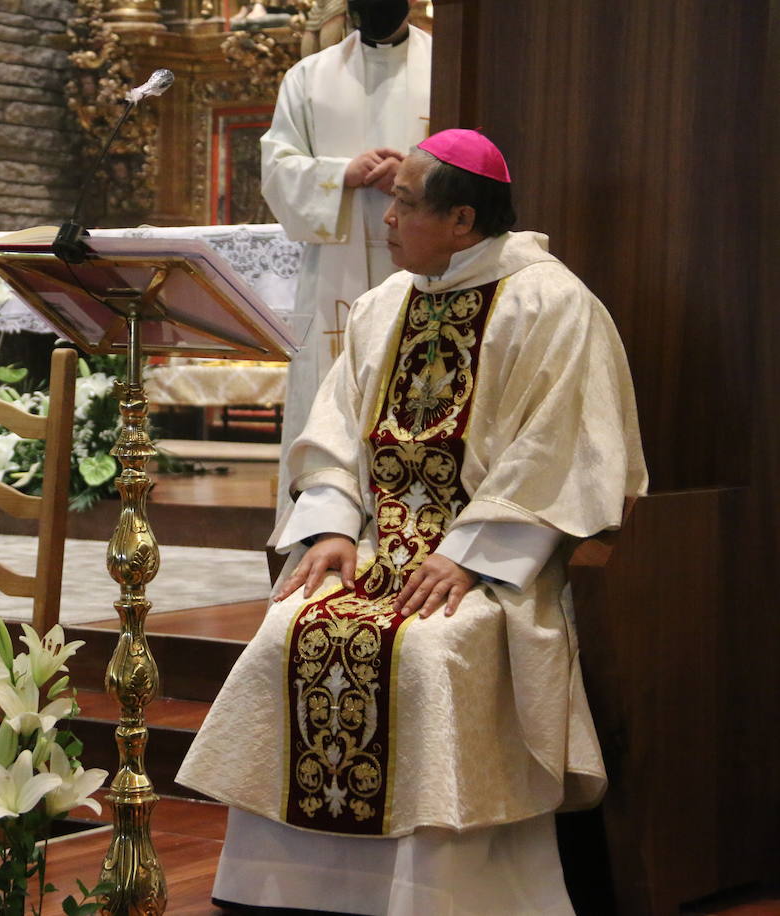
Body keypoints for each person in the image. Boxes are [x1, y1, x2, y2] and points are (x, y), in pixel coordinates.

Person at [178, 129, 647, 914]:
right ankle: (285, 889)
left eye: (402, 203)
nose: (385, 219)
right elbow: (331, 432)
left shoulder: (552, 303)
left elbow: (564, 451)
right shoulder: (385, 304)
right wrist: (330, 524)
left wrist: (471, 555)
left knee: (429, 648)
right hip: (374, 546)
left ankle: (436, 894)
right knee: (287, 627)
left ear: (462, 219)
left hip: (495, 562)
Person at [262, 0, 431, 525]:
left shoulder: (448, 67)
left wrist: (417, 173)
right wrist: (342, 174)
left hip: (428, 266)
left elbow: (479, 158)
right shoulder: (309, 76)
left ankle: (416, 523)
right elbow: (277, 170)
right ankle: (320, 530)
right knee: (329, 395)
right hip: (335, 273)